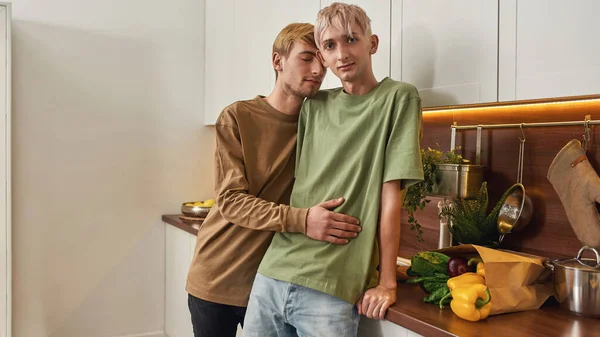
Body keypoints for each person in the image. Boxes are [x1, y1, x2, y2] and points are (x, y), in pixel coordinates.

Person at [243, 3, 424, 336]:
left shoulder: (398, 98)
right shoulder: (313, 106)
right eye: (329, 45)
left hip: (331, 286)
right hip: (273, 271)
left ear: (372, 43)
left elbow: (390, 200)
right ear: (322, 57)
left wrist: (387, 283)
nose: (342, 53)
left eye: (351, 39)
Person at [186, 22, 363, 337]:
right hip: (217, 277)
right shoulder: (237, 116)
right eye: (306, 58)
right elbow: (230, 201)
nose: (316, 70)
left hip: (271, 281)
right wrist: (304, 220)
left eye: (321, 62)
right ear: (277, 61)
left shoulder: (320, 120)